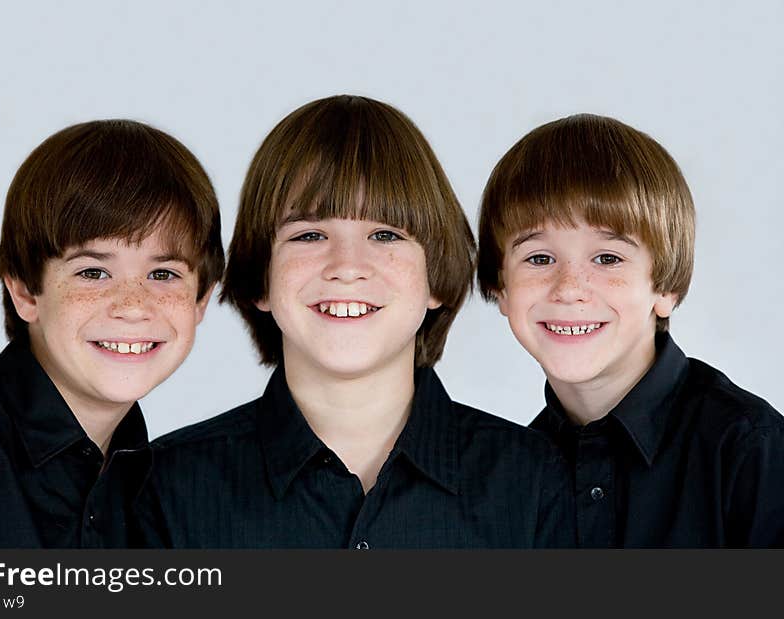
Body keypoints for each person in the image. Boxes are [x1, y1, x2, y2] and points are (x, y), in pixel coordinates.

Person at [135, 95, 574, 548]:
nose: (347, 266)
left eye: (385, 234)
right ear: (261, 279)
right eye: (309, 235)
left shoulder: (533, 480)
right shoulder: (166, 488)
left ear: (435, 280)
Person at [0, 119, 224, 547]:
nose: (132, 305)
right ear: (24, 291)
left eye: (162, 273)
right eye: (93, 272)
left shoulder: (164, 486)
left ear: (201, 299)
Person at [476, 113, 784, 547]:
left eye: (607, 259)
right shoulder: (510, 476)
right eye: (540, 259)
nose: (569, 290)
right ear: (500, 287)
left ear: (666, 287)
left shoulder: (751, 453)